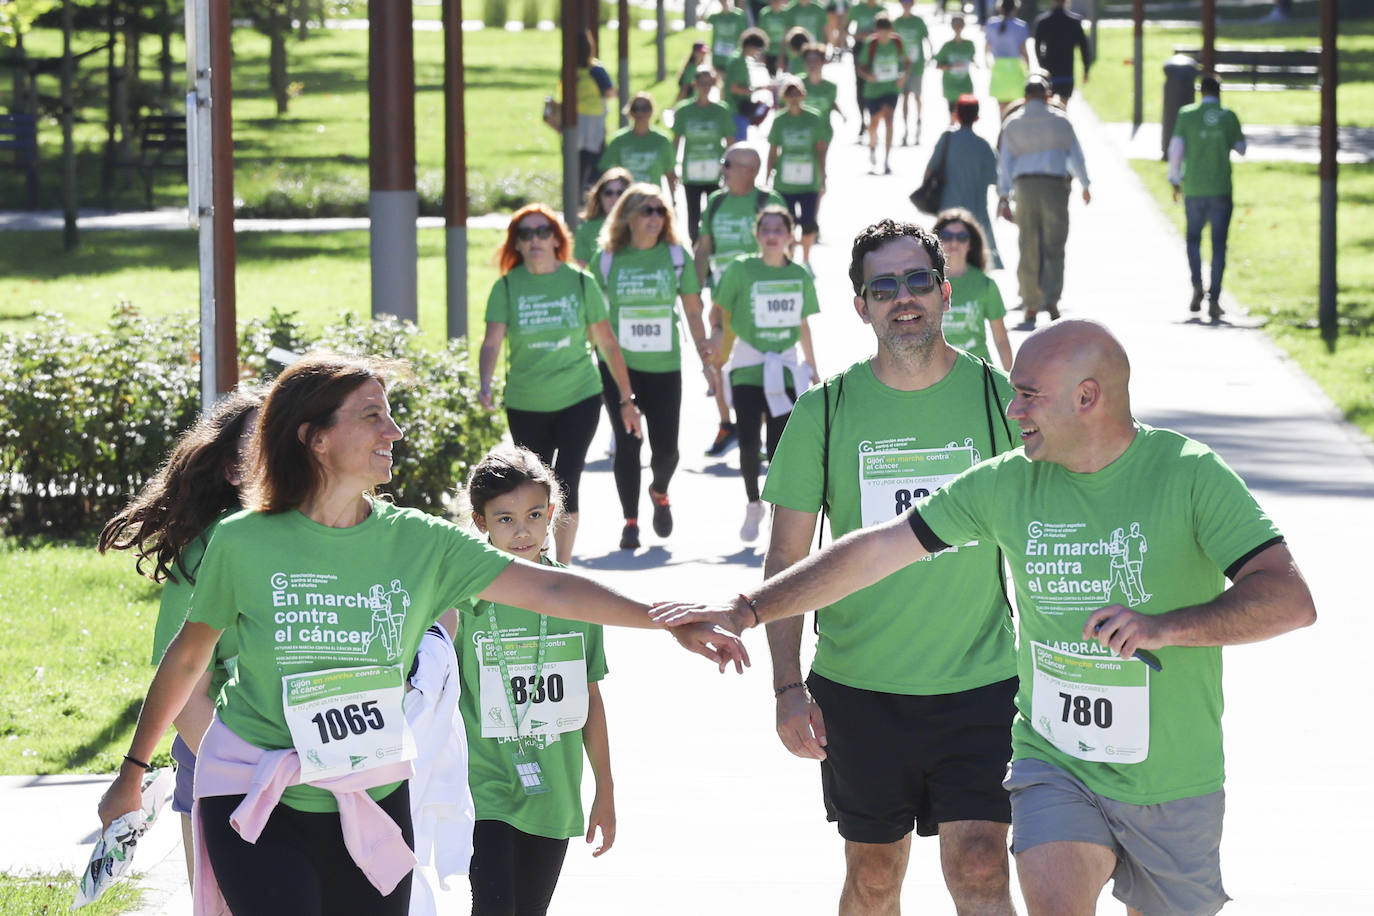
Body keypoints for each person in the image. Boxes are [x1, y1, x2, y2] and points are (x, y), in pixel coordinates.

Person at [659, 317, 1317, 916]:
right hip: (1056, 762)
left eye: (1030, 395)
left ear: (1088, 398)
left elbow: (1289, 597)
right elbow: (875, 550)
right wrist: (747, 607)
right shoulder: (1005, 482)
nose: (1013, 408)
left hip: (1174, 777)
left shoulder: (1190, 474)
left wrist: (1166, 627)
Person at [96, 354, 748, 916]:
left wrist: (667, 616)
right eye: (373, 414)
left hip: (374, 800)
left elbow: (549, 586)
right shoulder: (242, 543)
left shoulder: (419, 542)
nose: (395, 430)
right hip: (258, 796)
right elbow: (186, 661)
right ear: (314, 438)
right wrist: (132, 772)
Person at [762, 219, 1020, 916]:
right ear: (861, 306)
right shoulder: (825, 409)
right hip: (858, 688)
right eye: (883, 287)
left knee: (981, 865)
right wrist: (788, 687)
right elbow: (785, 560)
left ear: (943, 293)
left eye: (915, 282)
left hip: (984, 683)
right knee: (874, 876)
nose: (902, 299)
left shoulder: (1002, 402)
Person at [96, 388, 264, 887]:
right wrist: (256, 776)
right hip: (222, 761)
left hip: (314, 769)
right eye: (265, 442)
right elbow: (187, 691)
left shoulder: (336, 540)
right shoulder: (210, 552)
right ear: (234, 472)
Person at [456, 447, 615, 916]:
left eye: (533, 515)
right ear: (481, 522)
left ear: (552, 515)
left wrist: (604, 787)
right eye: (504, 519)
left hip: (554, 788)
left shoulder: (577, 597)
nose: (522, 530)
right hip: (483, 786)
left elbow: (592, 698)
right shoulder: (465, 596)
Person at [478, 204, 643, 565]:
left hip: (578, 397)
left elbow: (608, 344)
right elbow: (492, 342)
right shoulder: (507, 286)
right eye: (525, 234)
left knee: (567, 480)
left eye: (542, 232)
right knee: (529, 488)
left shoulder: (581, 282)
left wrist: (626, 398)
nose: (534, 239)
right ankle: (535, 561)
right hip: (526, 401)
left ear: (556, 239)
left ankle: (564, 568)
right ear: (517, 245)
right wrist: (484, 383)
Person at [593, 184, 712, 550]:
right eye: (647, 211)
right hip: (618, 366)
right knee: (628, 445)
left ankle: (659, 491)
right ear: (627, 216)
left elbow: (693, 310)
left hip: (663, 366)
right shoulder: (608, 259)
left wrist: (707, 359)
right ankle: (630, 522)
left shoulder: (676, 257)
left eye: (661, 211)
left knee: (667, 451)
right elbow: (594, 316)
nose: (655, 219)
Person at [709, 204, 820, 542]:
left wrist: (813, 366)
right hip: (747, 364)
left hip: (783, 369)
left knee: (778, 448)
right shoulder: (741, 269)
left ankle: (774, 513)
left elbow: (803, 324)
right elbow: (719, 313)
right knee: (747, 441)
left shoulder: (800, 275)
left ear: (790, 236)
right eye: (766, 229)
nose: (772, 236)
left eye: (779, 230)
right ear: (757, 235)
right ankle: (752, 502)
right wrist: (714, 346)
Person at [695, 144, 786, 460]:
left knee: (757, 366)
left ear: (750, 170)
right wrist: (694, 287)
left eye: (728, 164)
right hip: (723, 298)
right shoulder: (716, 202)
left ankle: (754, 432)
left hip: (759, 301)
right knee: (715, 358)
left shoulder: (767, 202)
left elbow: (782, 246)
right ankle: (726, 424)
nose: (723, 169)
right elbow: (704, 246)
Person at [997, 73, 1090, 329]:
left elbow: (1005, 163)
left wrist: (1004, 196)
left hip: (1024, 187)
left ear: (1025, 97)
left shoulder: (1013, 124)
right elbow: (1076, 156)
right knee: (1054, 244)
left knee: (1028, 244)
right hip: (1054, 187)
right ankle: (1051, 298)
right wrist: (1085, 184)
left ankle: (1030, 303)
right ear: (1048, 95)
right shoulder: (1061, 121)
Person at [1168, 72, 1246, 322]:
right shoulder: (1228, 116)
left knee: (1193, 240)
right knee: (1219, 244)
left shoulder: (1187, 115)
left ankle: (1197, 286)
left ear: (1201, 91)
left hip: (1194, 188)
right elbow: (1242, 148)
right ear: (1219, 91)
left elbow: (1176, 149)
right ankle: (1214, 298)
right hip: (1220, 188)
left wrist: (1175, 179)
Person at [924, 94, 1002, 269]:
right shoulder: (983, 145)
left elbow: (929, 171)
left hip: (948, 212)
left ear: (956, 114)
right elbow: (995, 178)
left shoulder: (947, 139)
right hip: (977, 215)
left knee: (944, 262)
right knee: (976, 263)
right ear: (977, 117)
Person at [935, 208, 1013, 367]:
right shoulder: (927, 283)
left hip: (977, 371)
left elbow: (1001, 339)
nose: (954, 242)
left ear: (971, 243)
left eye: (962, 237)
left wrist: (1011, 384)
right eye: (947, 236)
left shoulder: (985, 284)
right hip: (936, 374)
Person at [767, 75, 831, 265]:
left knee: (808, 223)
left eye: (797, 93)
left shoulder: (814, 118)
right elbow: (772, 150)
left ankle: (806, 259)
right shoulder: (779, 120)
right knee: (788, 223)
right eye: (790, 94)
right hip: (784, 182)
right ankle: (790, 257)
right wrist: (767, 174)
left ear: (803, 95)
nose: (794, 98)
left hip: (808, 181)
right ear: (784, 97)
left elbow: (820, 150)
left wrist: (823, 177)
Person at [672, 67, 737, 245]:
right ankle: (695, 247)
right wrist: (672, 168)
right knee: (693, 215)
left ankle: (711, 247)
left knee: (714, 212)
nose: (705, 87)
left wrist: (731, 169)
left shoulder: (721, 110)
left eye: (709, 83)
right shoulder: (684, 110)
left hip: (714, 172)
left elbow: (730, 142)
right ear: (695, 84)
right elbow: (676, 141)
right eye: (702, 83)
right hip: (691, 173)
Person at [555, 29, 617, 195]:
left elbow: (561, 91)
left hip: (574, 121)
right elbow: (610, 91)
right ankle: (592, 192)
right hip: (594, 121)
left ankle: (575, 194)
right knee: (596, 160)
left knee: (576, 161)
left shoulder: (568, 70)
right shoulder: (595, 69)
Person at [598, 93, 678, 199]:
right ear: (630, 112)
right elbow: (607, 174)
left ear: (651, 111)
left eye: (645, 108)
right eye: (636, 108)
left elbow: (670, 175)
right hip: (625, 201)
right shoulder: (618, 140)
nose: (640, 113)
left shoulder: (662, 141)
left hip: (651, 202)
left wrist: (673, 202)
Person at [855, 14, 906, 175]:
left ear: (891, 30)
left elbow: (907, 62)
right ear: (876, 30)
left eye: (887, 31)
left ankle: (886, 159)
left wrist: (903, 75)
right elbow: (861, 67)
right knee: (874, 122)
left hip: (891, 88)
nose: (883, 35)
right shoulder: (871, 43)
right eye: (880, 31)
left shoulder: (897, 42)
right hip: (873, 89)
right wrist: (868, 76)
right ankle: (872, 146)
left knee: (889, 118)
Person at [1033, 0, 1091, 102]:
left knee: (1048, 105)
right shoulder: (1074, 22)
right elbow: (1083, 47)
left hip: (1049, 70)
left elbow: (1037, 46)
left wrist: (1041, 65)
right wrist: (1086, 69)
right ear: (1066, 2)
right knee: (1064, 105)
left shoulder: (1043, 22)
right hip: (1067, 69)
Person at [892, 0, 933, 146]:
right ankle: (905, 128)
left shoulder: (918, 21)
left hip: (917, 65)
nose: (906, 4)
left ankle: (918, 121)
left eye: (909, 2)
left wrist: (931, 54)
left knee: (916, 96)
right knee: (904, 96)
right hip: (902, 65)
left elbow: (927, 38)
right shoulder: (896, 22)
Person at [572, 168, 631, 268]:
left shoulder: (638, 224)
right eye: (608, 193)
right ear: (599, 196)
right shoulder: (587, 229)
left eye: (620, 193)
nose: (614, 198)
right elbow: (579, 269)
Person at [844, 0, 884, 140]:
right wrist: (857, 35)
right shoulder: (857, 9)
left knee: (874, 83)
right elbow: (846, 29)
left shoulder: (881, 9)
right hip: (860, 47)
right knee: (860, 84)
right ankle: (862, 120)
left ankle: (875, 119)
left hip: (877, 49)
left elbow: (888, 30)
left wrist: (874, 34)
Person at [985, 0, 1031, 119]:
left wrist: (987, 62)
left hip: (999, 68)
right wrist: (1029, 68)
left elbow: (987, 48)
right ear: (1015, 9)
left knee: (1001, 108)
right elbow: (1024, 51)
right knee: (1016, 107)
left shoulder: (991, 24)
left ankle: (1003, 131)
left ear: (1000, 8)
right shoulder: (1021, 26)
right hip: (1015, 68)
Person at [724, 27, 770, 141]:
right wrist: (755, 90)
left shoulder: (738, 58)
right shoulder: (738, 62)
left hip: (735, 109)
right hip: (736, 110)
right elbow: (734, 88)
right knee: (739, 146)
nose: (757, 53)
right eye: (758, 49)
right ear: (750, 46)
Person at [934, 14, 977, 121]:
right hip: (951, 88)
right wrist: (952, 66)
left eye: (960, 24)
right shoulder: (947, 46)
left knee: (966, 119)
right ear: (952, 26)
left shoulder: (969, 45)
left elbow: (972, 59)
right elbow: (938, 65)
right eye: (955, 24)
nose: (957, 27)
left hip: (965, 87)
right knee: (953, 118)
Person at [800, 42, 841, 125]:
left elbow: (831, 103)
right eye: (809, 60)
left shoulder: (831, 87)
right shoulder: (797, 84)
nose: (812, 64)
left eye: (815, 60)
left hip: (823, 132)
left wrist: (841, 114)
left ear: (823, 62)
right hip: (802, 130)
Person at [708, 0, 751, 73]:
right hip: (718, 56)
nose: (724, 2)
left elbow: (744, 33)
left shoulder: (738, 15)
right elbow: (701, 19)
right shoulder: (715, 16)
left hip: (733, 54)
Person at [759, 0, 791, 75]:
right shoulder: (764, 13)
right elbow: (762, 34)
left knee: (786, 77)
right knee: (772, 77)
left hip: (785, 51)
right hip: (770, 51)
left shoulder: (788, 13)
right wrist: (762, 53)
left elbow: (788, 34)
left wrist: (781, 56)